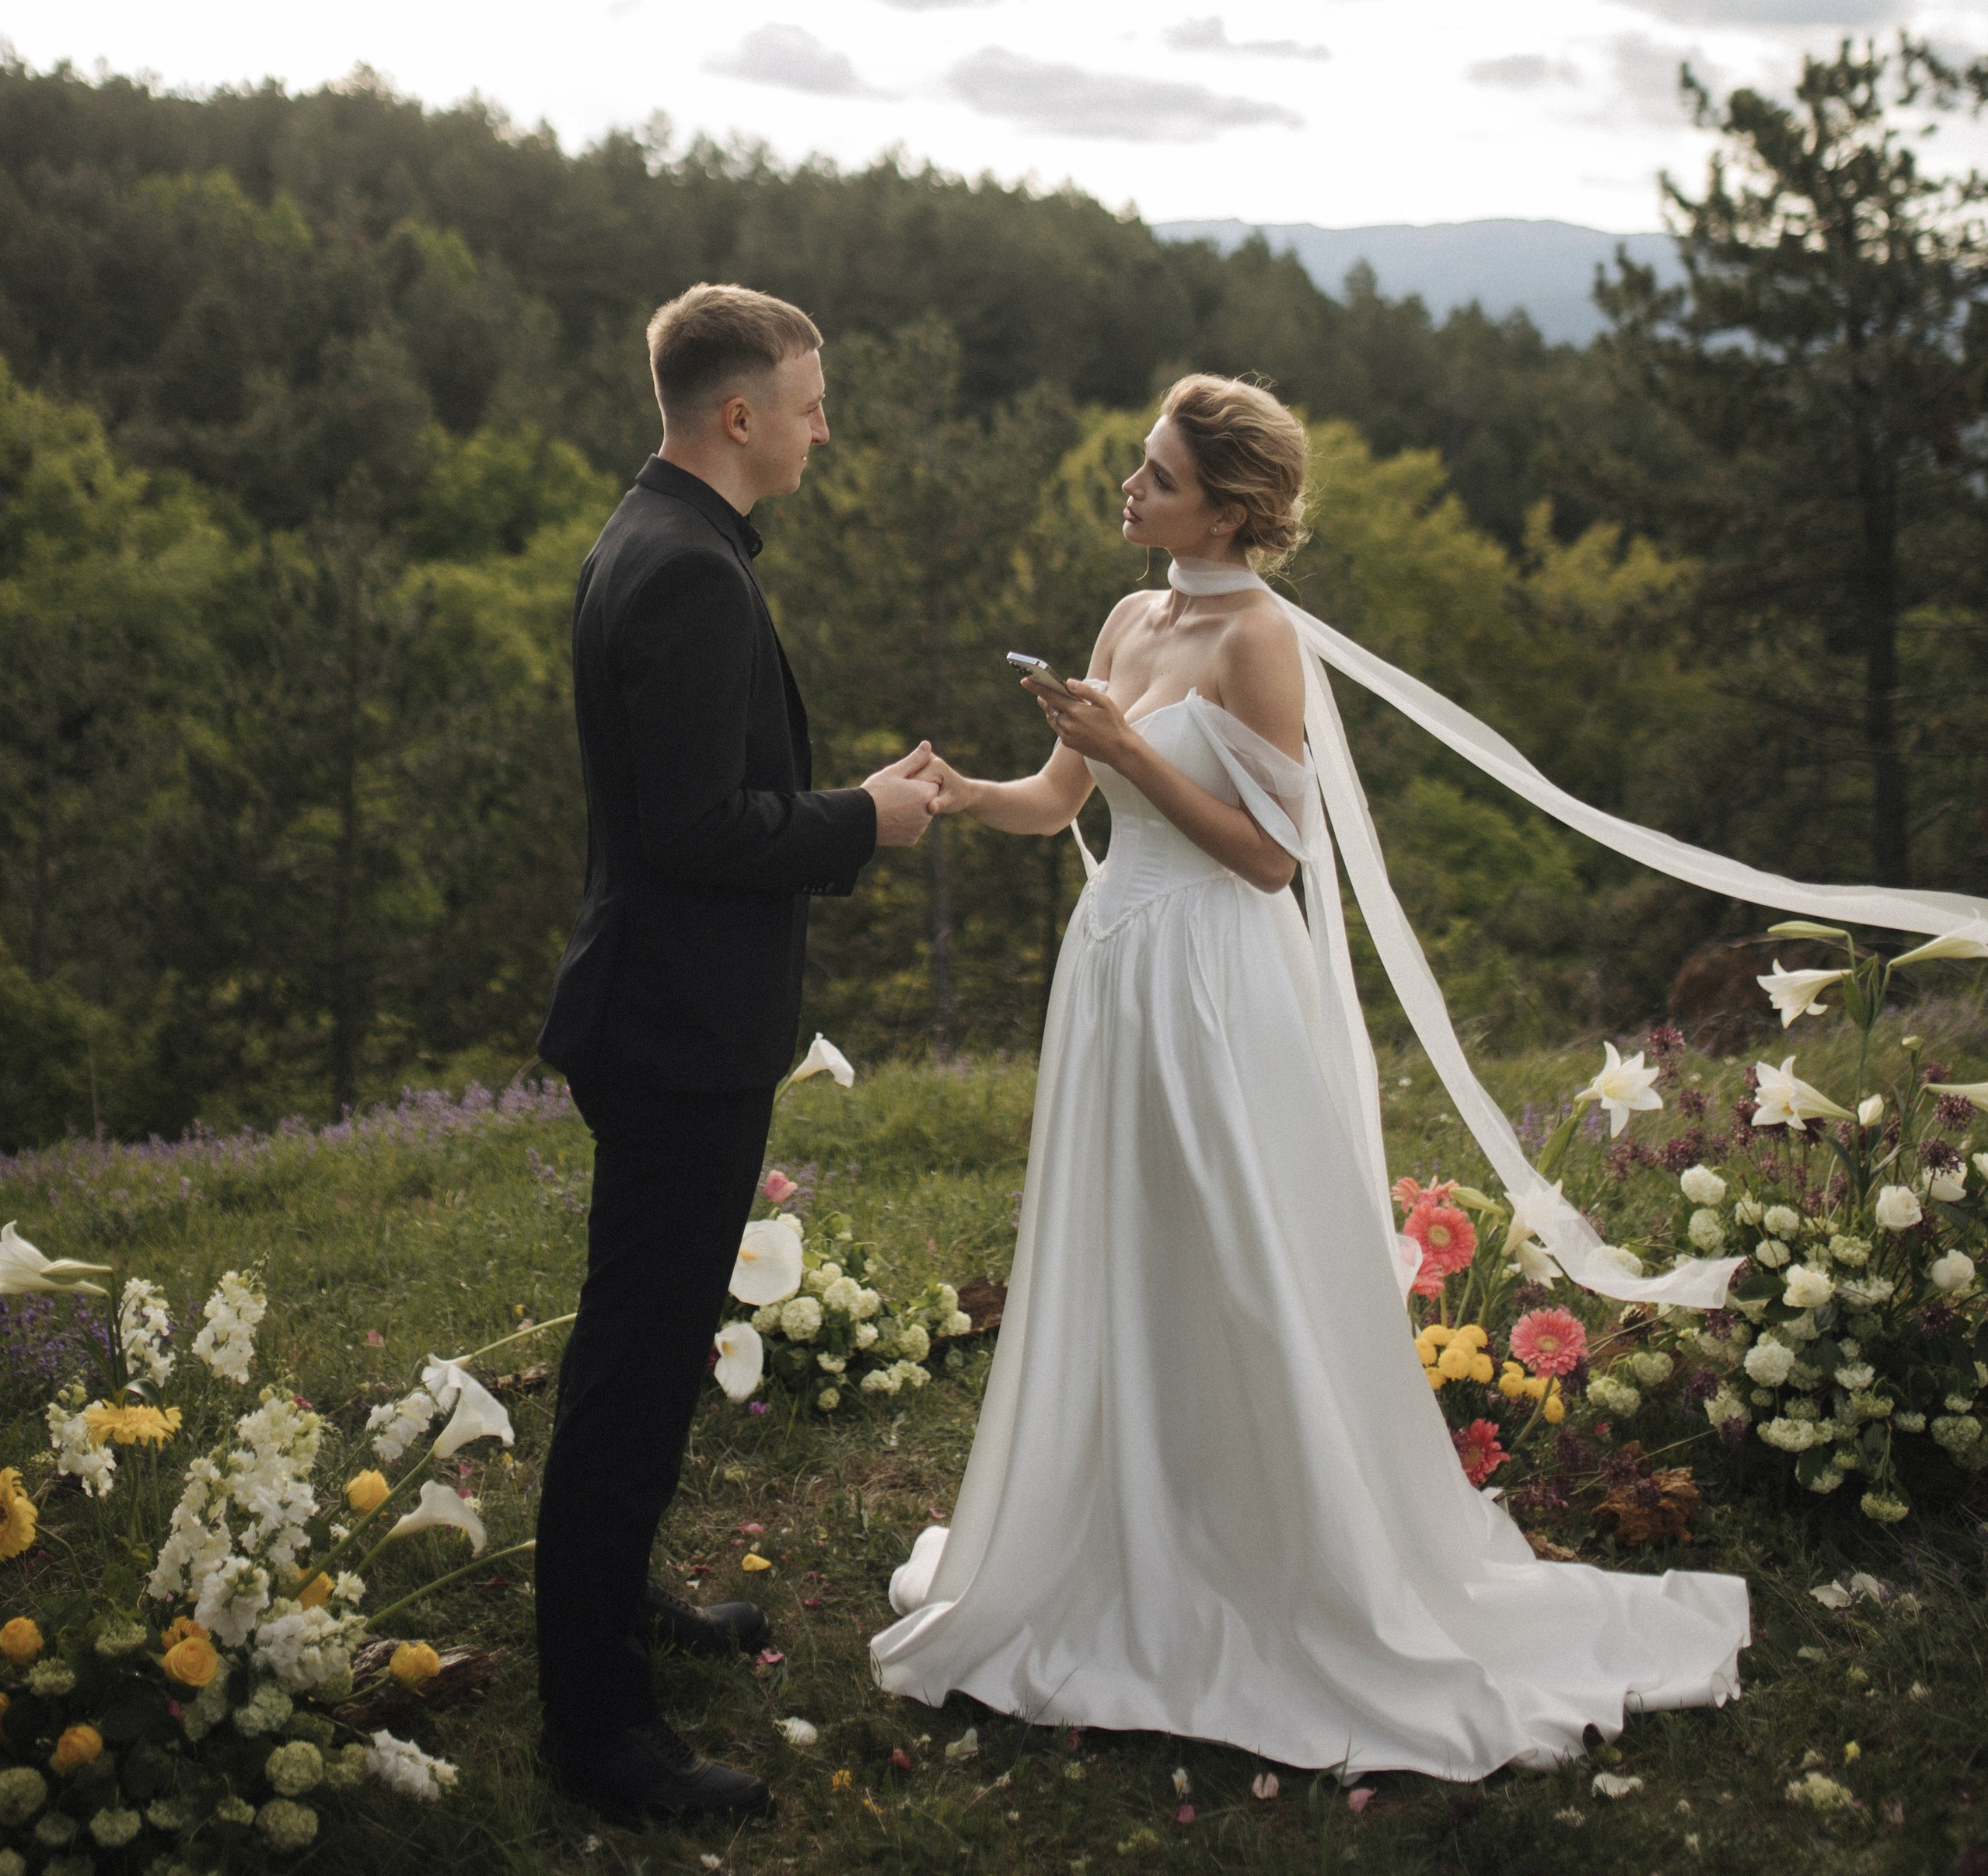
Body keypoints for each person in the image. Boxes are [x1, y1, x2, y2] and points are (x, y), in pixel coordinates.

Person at [871, 372, 1751, 1776]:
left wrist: (1127, 757)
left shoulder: (1263, 643)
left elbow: (1272, 856)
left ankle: (1272, 1548)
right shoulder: (1128, 616)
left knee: (1236, 1251)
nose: (1133, 487)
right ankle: (1118, 1525)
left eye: (1158, 475)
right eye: (1140, 467)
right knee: (1125, 1248)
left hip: (1216, 976)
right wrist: (976, 792)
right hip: (1115, 966)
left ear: (1230, 504)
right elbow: (1059, 801)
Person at [536, 282, 938, 1825]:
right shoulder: (690, 573)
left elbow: (690, 793)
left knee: (633, 1350)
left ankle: (619, 1606)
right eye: (811, 398)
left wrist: (841, 796)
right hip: (674, 1025)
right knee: (633, 1373)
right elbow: (698, 832)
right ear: (737, 415)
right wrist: (867, 824)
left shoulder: (654, 534)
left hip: (659, 1008)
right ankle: (599, 1734)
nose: (826, 424)